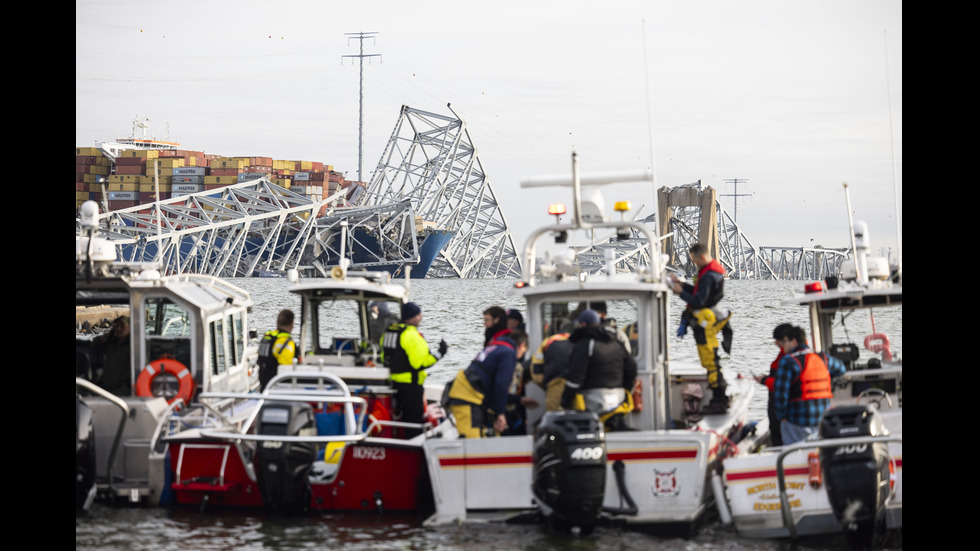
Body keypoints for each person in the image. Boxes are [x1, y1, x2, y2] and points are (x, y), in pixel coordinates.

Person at [669, 243, 734, 414]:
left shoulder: (708, 275)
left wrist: (680, 293)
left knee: (710, 362)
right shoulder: (711, 272)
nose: (695, 264)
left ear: (702, 257)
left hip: (706, 325)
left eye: (695, 261)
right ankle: (722, 397)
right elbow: (699, 293)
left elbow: (699, 301)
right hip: (707, 321)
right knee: (712, 361)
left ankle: (718, 401)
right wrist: (682, 285)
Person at [562, 309, 637, 431]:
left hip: (594, 400)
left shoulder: (586, 344)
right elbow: (631, 368)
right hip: (618, 398)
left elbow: (576, 378)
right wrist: (626, 389)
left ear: (582, 324)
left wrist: (565, 401)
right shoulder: (616, 341)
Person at [381, 302, 447, 438]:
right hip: (410, 387)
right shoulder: (410, 335)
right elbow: (421, 363)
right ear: (410, 318)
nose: (421, 318)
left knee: (398, 419)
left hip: (392, 384)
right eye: (418, 315)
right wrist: (440, 353)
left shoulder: (389, 332)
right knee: (414, 424)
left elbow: (383, 357)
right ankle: (413, 448)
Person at [446, 330, 528, 437]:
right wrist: (500, 414)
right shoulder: (508, 353)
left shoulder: (496, 348)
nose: (521, 356)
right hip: (467, 398)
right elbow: (501, 386)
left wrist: (519, 400)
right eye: (524, 352)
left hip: (465, 392)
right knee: (471, 442)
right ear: (522, 346)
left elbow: (493, 389)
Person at [772, 325, 846, 445]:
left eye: (785, 341)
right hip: (822, 420)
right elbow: (841, 368)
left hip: (797, 423)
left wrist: (781, 417)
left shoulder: (787, 362)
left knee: (793, 457)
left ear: (794, 341)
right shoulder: (823, 358)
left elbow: (780, 395)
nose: (783, 345)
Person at [756, 323, 794, 446]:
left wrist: (764, 380)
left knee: (780, 438)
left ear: (785, 339)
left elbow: (782, 385)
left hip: (782, 409)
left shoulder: (788, 358)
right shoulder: (788, 355)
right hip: (779, 407)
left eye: (777, 340)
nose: (775, 343)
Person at [529, 321, 574, 411]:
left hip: (555, 384)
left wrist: (547, 385)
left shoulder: (548, 342)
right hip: (577, 385)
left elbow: (536, 372)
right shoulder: (579, 341)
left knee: (555, 418)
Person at [259, 309, 296, 391]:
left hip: (264, 385)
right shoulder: (285, 342)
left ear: (277, 322)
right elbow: (286, 370)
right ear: (292, 324)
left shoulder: (267, 336)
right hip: (278, 389)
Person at [97, 315, 132, 396]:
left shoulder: (133, 345)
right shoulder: (111, 343)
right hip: (108, 385)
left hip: (123, 388)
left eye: (122, 326)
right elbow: (94, 345)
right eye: (116, 326)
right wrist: (103, 338)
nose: (118, 329)